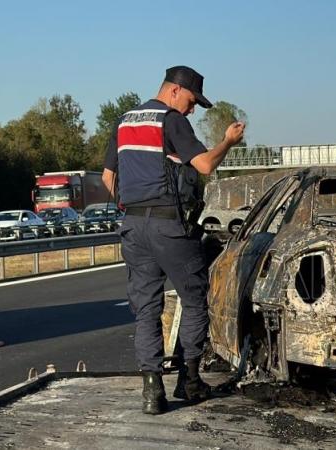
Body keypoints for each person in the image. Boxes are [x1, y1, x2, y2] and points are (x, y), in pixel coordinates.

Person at [102, 65, 245, 414]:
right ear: (176, 91)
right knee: (195, 298)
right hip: (169, 225)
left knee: (146, 308)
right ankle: (190, 379)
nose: (192, 110)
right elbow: (205, 165)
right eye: (193, 101)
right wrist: (227, 141)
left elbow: (108, 177)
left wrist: (131, 204)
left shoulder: (124, 121)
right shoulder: (171, 120)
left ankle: (152, 391)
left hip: (133, 226)